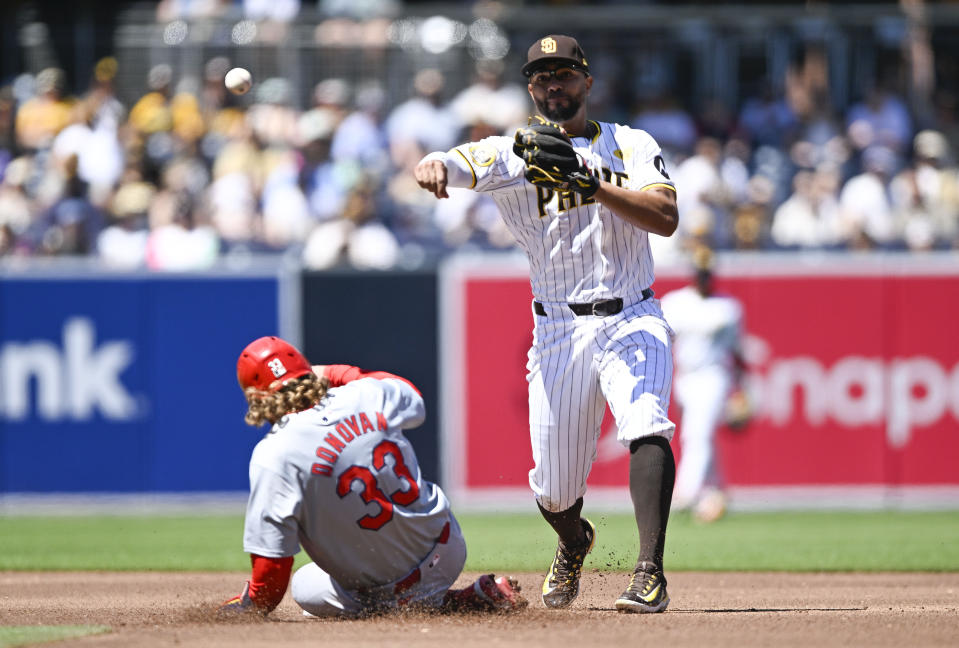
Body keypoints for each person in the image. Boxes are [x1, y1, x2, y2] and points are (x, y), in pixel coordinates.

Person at [414, 34, 679, 613]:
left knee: (646, 422)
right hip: (558, 329)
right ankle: (573, 539)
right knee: (555, 489)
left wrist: (592, 185)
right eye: (541, 77)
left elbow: (665, 217)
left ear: (587, 81)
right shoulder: (512, 154)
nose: (552, 84)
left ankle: (649, 572)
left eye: (563, 74)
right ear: (530, 89)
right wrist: (434, 163)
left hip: (633, 312)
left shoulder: (631, 144)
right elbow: (454, 162)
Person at [219, 336, 526, 617]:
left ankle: (411, 604)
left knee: (305, 586)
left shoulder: (274, 454)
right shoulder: (367, 393)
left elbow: (270, 581)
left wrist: (247, 606)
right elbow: (410, 393)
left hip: (383, 590)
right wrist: (333, 372)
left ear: (256, 398)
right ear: (309, 372)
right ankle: (456, 599)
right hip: (448, 547)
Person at [660, 247, 748, 523]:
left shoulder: (727, 307)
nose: (703, 278)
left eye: (706, 273)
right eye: (699, 273)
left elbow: (737, 353)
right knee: (702, 437)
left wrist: (740, 389)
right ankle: (714, 494)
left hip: (713, 376)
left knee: (696, 435)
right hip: (684, 376)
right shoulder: (675, 302)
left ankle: (685, 494)